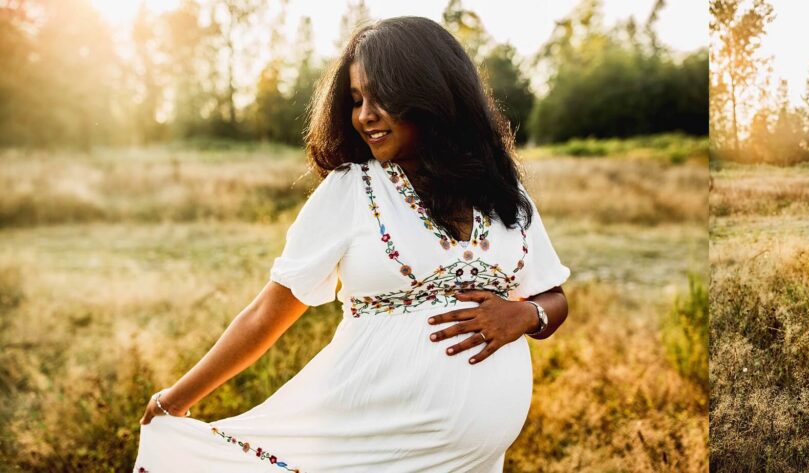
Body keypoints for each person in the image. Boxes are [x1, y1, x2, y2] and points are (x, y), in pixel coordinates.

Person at [133, 16, 571, 472]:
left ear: (434, 93)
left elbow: (553, 296)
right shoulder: (353, 189)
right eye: (357, 99)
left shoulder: (504, 194)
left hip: (471, 459)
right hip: (366, 439)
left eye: (383, 97)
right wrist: (174, 400)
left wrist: (526, 314)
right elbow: (268, 312)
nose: (365, 115)